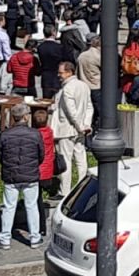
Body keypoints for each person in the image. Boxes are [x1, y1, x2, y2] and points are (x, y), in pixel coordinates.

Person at [0, 103, 45, 250]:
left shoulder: (5, 134)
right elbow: (41, 155)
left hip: (11, 175)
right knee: (32, 206)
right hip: (30, 175)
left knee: (8, 207)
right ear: (25, 117)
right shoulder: (35, 134)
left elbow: (0, 155)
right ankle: (35, 238)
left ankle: (5, 239)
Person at [50, 61, 94, 195]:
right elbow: (89, 107)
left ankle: (65, 191)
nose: (59, 75)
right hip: (80, 129)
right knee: (81, 159)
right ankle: (82, 188)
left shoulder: (67, 88)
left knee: (65, 160)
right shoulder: (84, 85)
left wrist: (79, 126)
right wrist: (86, 124)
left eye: (61, 73)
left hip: (67, 129)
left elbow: (71, 112)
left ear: (69, 72)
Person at [36, 25, 73, 100]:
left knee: (46, 100)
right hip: (58, 75)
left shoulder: (40, 47)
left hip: (46, 77)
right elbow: (68, 60)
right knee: (58, 100)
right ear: (53, 33)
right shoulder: (60, 47)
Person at [33, 108, 57, 209]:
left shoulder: (35, 135)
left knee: (36, 195)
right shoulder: (50, 132)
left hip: (37, 169)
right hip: (48, 169)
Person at [77, 35, 102, 124]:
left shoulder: (81, 55)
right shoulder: (98, 56)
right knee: (98, 111)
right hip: (96, 86)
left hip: (84, 86)